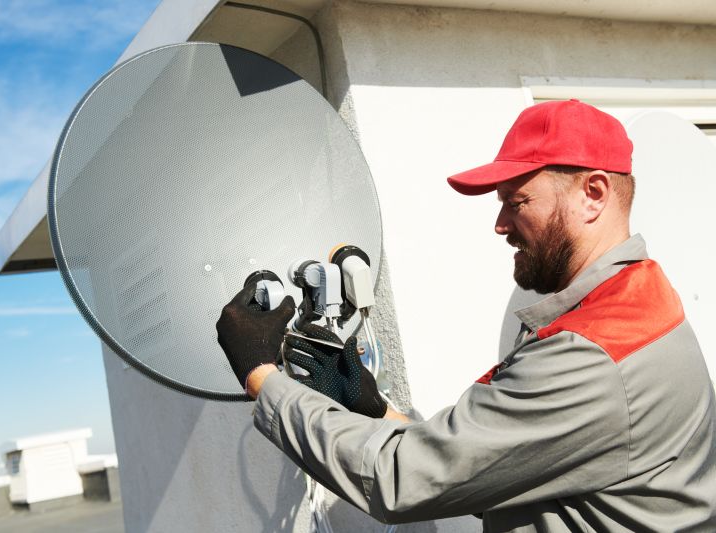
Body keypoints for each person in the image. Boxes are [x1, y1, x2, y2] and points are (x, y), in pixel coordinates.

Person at [216, 100, 716, 531]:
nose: (500, 225)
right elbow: (504, 461)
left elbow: (400, 478)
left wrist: (265, 378)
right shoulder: (637, 295)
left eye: (517, 201)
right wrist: (379, 411)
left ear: (595, 194)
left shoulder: (593, 353)